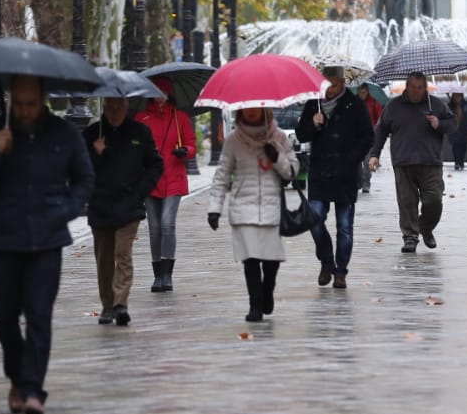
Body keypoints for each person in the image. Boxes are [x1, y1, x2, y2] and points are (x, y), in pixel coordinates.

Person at [0, 75, 94, 414]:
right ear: (11, 101)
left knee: (39, 314)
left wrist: (65, 211)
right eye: (19, 104)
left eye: (31, 104)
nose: (24, 111)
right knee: (4, 317)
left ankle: (33, 389)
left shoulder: (63, 133)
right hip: (6, 238)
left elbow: (84, 178)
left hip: (47, 239)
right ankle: (17, 378)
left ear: (43, 100)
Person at [207, 107, 299, 322]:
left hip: (271, 206)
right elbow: (222, 175)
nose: (250, 111)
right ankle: (255, 306)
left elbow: (292, 171)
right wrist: (214, 208)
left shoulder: (279, 137)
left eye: (255, 107)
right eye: (246, 108)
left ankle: (267, 291)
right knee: (250, 259)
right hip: (242, 207)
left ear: (264, 109)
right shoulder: (233, 140)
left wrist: (277, 157)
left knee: (271, 260)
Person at [83, 96, 163, 326]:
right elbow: (79, 167)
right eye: (110, 107)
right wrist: (96, 155)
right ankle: (107, 305)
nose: (114, 112)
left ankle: (120, 304)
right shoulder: (92, 134)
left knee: (122, 254)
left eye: (119, 107)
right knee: (104, 259)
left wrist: (140, 191)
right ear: (104, 108)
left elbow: (155, 164)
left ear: (126, 107)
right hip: (100, 205)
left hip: (129, 205)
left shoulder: (139, 132)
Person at [297, 67, 376, 288]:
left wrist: (351, 159)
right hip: (320, 172)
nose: (330, 89)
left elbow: (368, 136)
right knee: (314, 219)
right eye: (326, 84)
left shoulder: (355, 105)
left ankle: (340, 272)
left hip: (345, 174)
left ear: (343, 82)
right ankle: (326, 261)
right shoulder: (314, 104)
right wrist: (313, 123)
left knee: (344, 226)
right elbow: (302, 133)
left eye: (334, 84)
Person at [367, 72, 455, 253]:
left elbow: (453, 124)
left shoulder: (436, 105)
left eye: (420, 88)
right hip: (403, 160)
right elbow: (381, 130)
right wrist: (374, 154)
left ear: (425, 88)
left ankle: (426, 227)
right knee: (407, 202)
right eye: (413, 87)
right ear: (407, 87)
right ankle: (410, 237)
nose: (416, 92)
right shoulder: (394, 106)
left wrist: (438, 124)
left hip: (430, 161)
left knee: (434, 200)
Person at [134, 88, 196, 293]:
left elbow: (191, 144)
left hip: (174, 178)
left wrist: (185, 151)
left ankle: (168, 274)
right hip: (151, 180)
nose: (160, 97)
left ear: (170, 94)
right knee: (154, 227)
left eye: (164, 92)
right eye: (156, 92)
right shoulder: (141, 118)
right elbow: (135, 147)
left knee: (167, 223)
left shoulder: (180, 118)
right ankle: (157, 275)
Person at [357, 83, 383, 193]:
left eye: (363, 92)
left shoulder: (374, 103)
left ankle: (366, 183)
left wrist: (375, 129)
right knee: (356, 162)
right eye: (360, 92)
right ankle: (358, 182)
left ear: (367, 92)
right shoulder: (354, 102)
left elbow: (380, 119)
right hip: (356, 137)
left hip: (369, 136)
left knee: (368, 161)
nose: (362, 95)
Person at [449, 91, 467, 171]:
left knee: (463, 147)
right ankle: (457, 162)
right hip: (455, 130)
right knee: (455, 147)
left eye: (459, 96)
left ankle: (461, 161)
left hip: (465, 130)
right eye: (455, 96)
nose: (457, 98)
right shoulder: (450, 106)